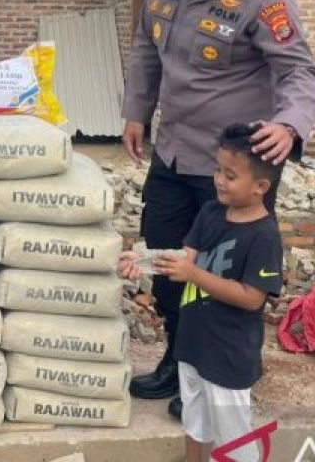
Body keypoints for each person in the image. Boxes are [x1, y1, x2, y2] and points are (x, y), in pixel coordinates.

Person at [122, 0, 315, 414]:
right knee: (168, 262)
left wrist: (288, 124)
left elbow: (298, 71)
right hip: (173, 152)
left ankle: (222, 380)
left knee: (227, 279)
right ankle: (178, 361)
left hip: (234, 168)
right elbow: (147, 46)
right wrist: (136, 111)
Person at [118, 123, 283, 462]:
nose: (219, 180)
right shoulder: (210, 212)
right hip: (193, 345)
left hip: (228, 355)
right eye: (217, 170)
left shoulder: (264, 236)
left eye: (231, 175)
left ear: (260, 187)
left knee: (235, 440)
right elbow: (185, 257)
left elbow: (252, 297)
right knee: (195, 420)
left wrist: (194, 275)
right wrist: (143, 259)